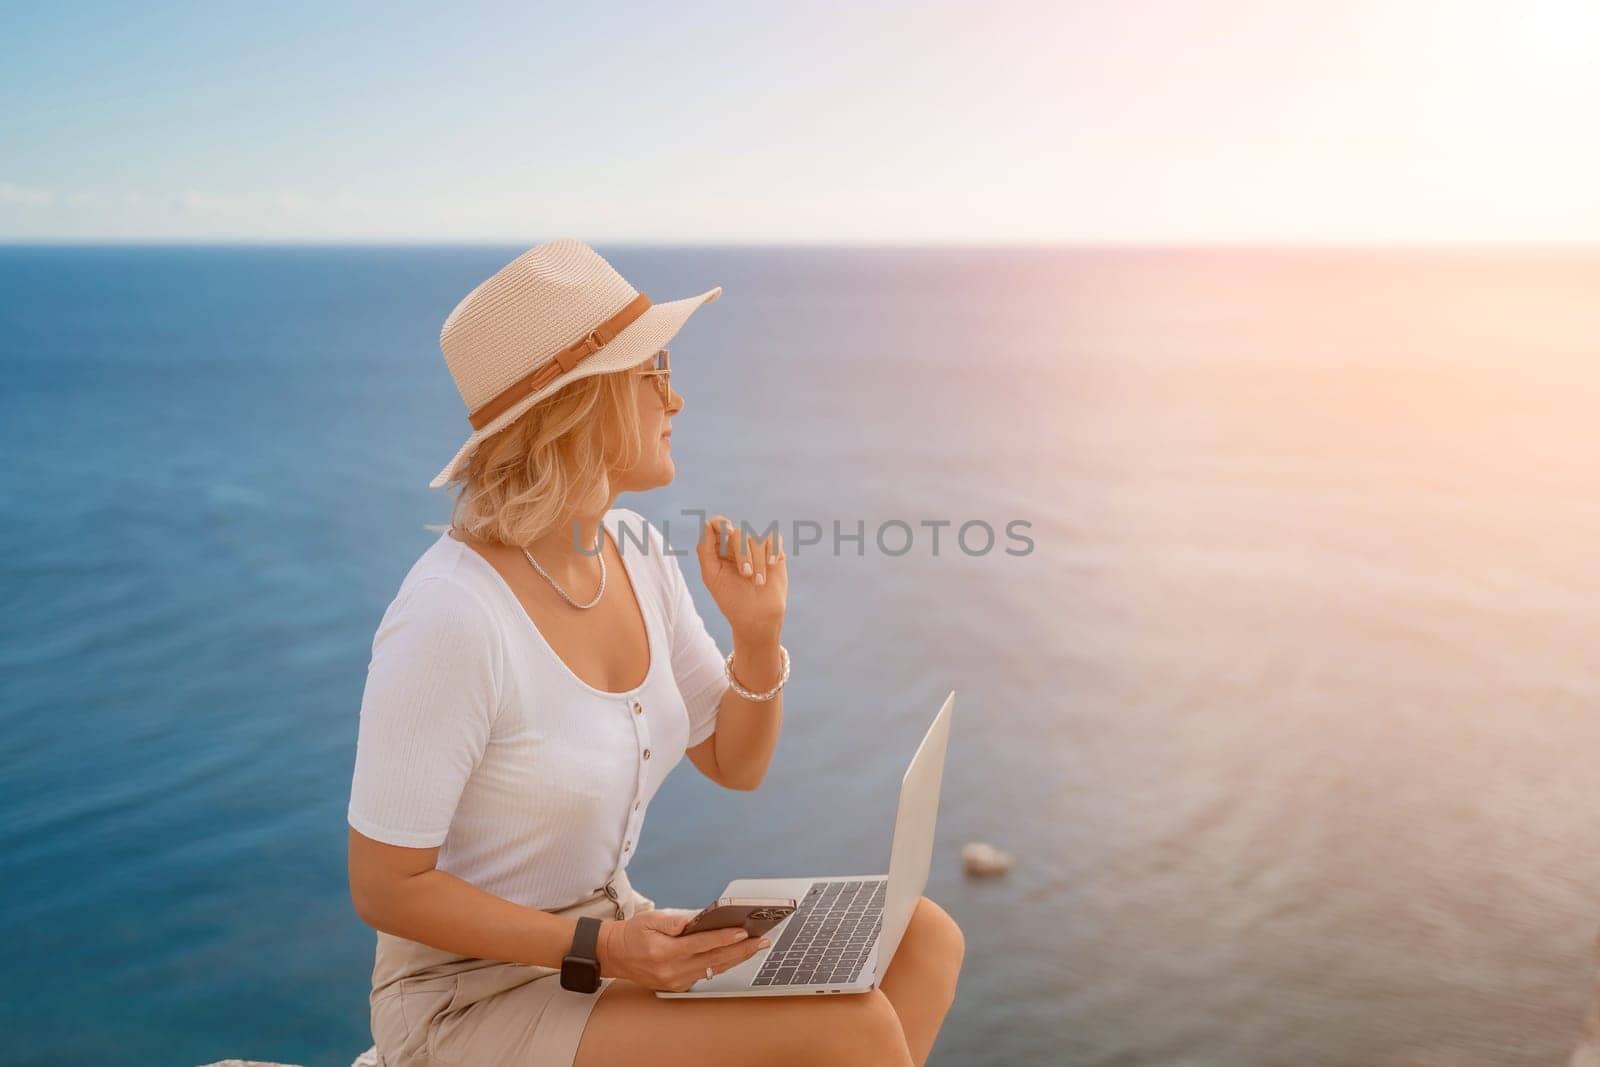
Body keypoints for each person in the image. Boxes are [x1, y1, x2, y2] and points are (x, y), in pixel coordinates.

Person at [346, 239, 964, 1066]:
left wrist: (758, 638)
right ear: (586, 403)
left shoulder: (635, 551)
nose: (678, 398)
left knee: (922, 937)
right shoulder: (451, 615)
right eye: (656, 372)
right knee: (846, 1030)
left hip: (606, 950)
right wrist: (604, 948)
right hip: (469, 999)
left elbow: (733, 760)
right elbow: (385, 887)